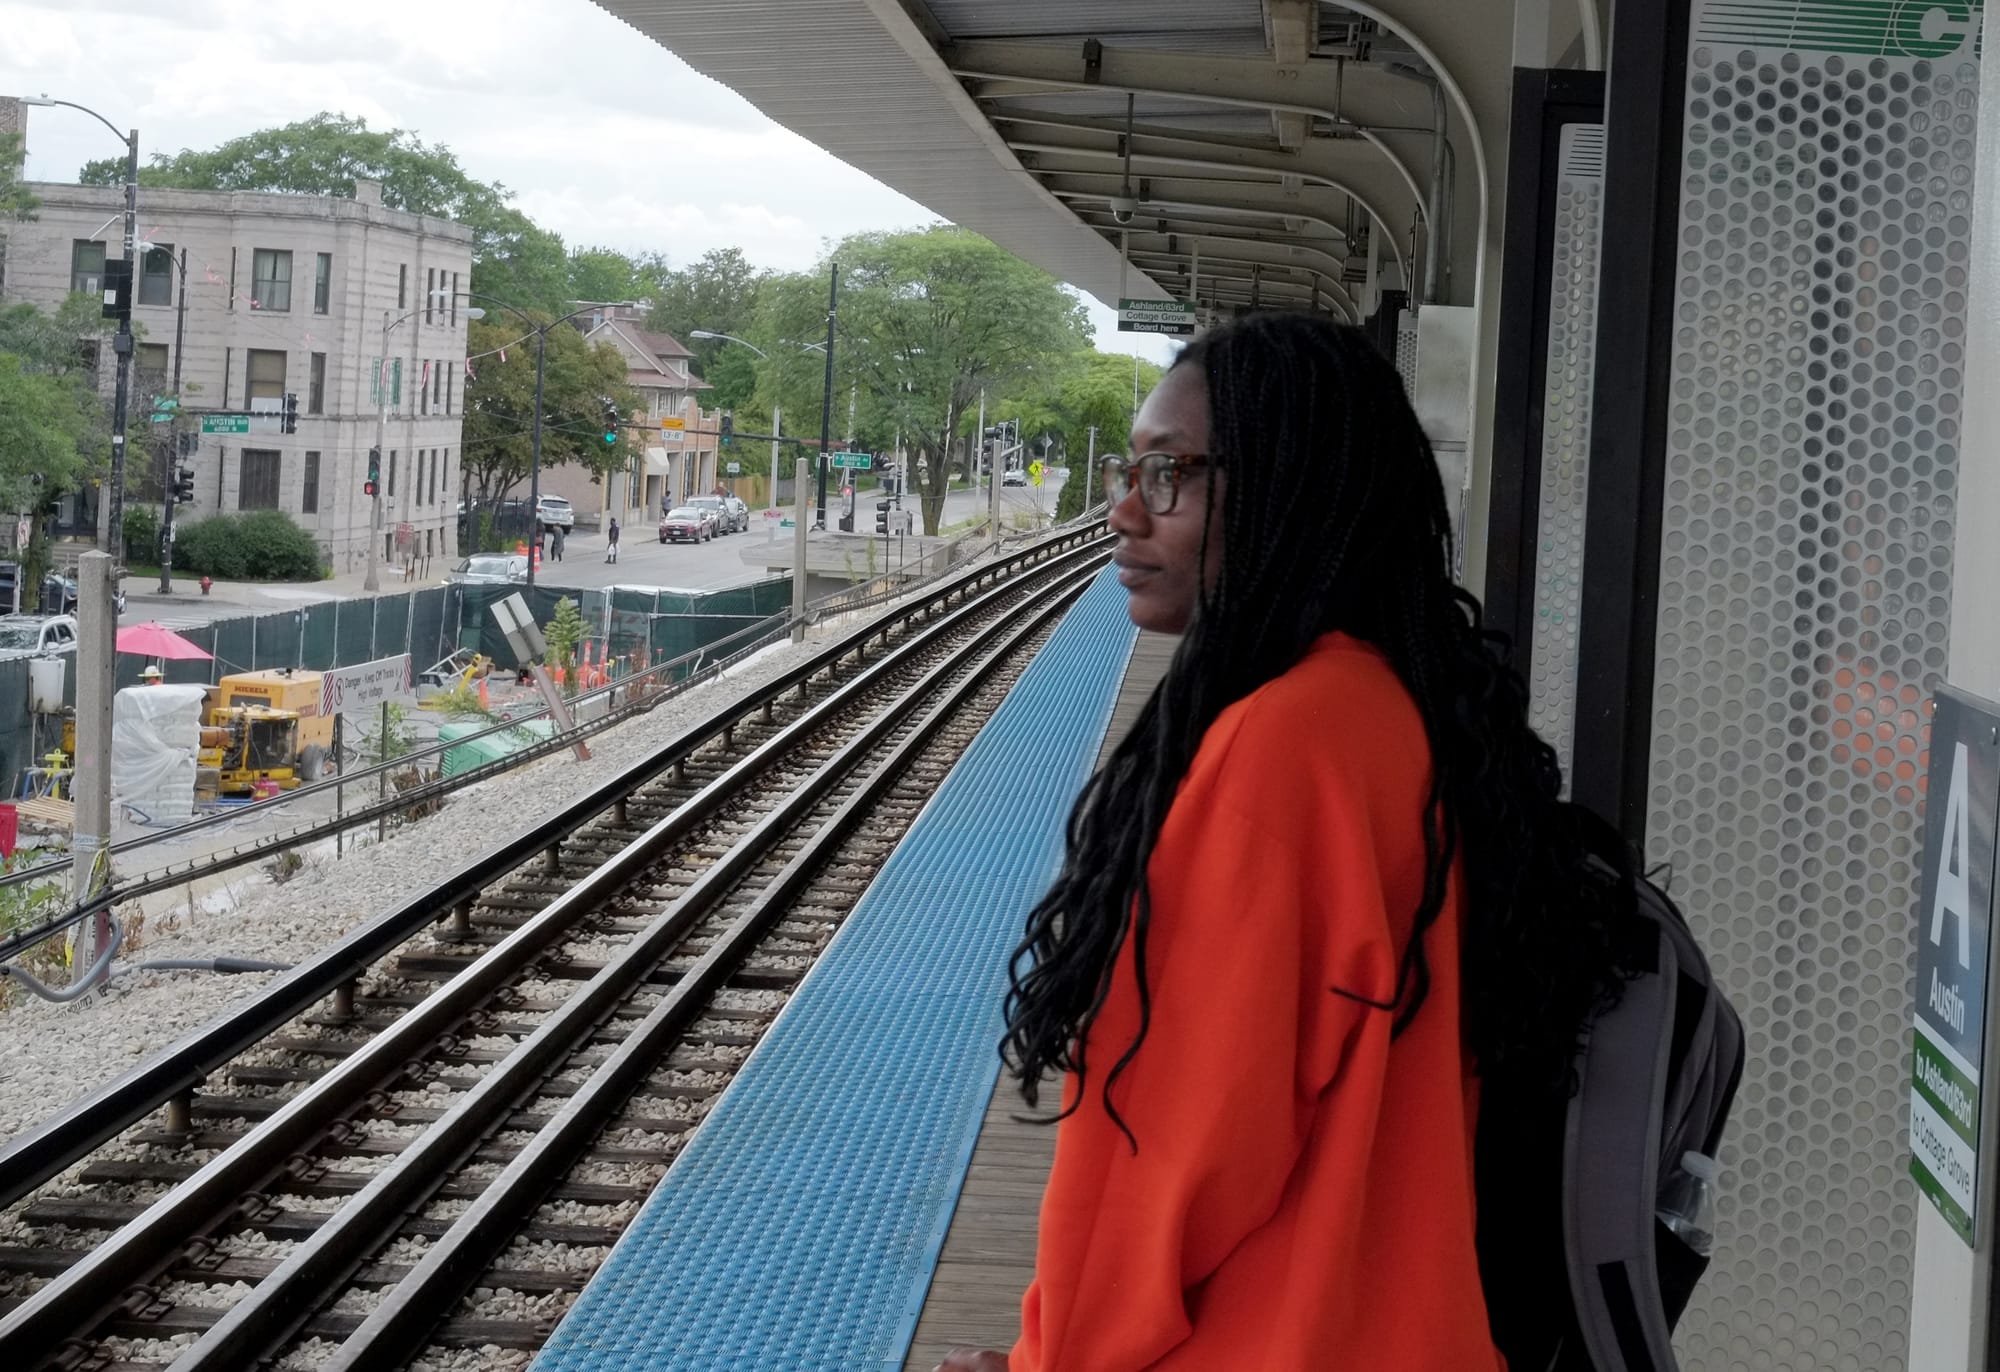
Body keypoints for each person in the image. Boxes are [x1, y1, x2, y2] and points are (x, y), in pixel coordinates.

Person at [938, 314, 1634, 1372]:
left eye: (1168, 474)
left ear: (1287, 486)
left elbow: (1179, 1152)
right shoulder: (1393, 711)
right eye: (1133, 470)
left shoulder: (1283, 746)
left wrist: (1049, 1360)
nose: (1124, 511)